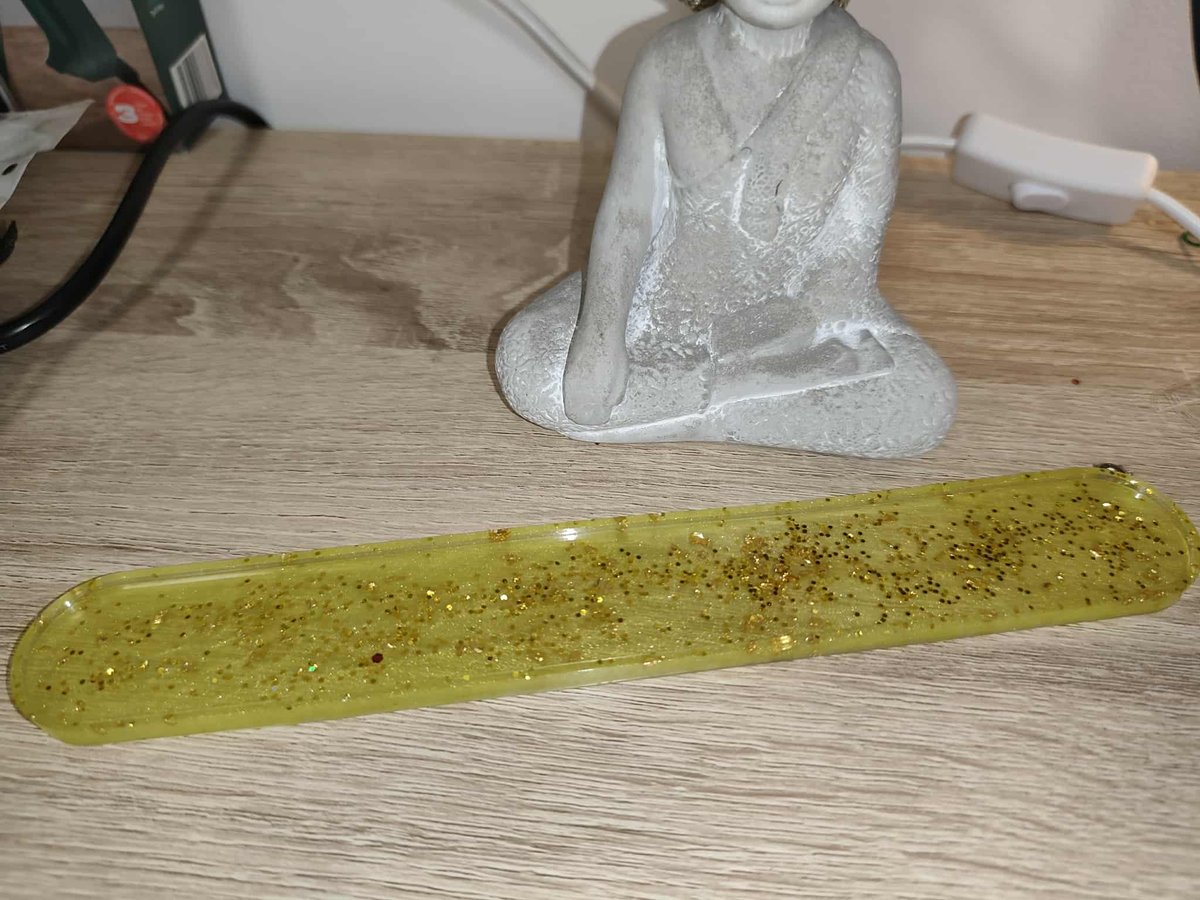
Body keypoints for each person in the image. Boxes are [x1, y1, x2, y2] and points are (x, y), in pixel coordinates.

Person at [496, 0, 956, 458]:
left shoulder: (869, 70)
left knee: (923, 401)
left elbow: (852, 253)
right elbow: (630, 213)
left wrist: (786, 323)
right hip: (661, 304)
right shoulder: (667, 59)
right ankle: (744, 389)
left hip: (798, 317)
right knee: (527, 361)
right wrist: (603, 336)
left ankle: (685, 403)